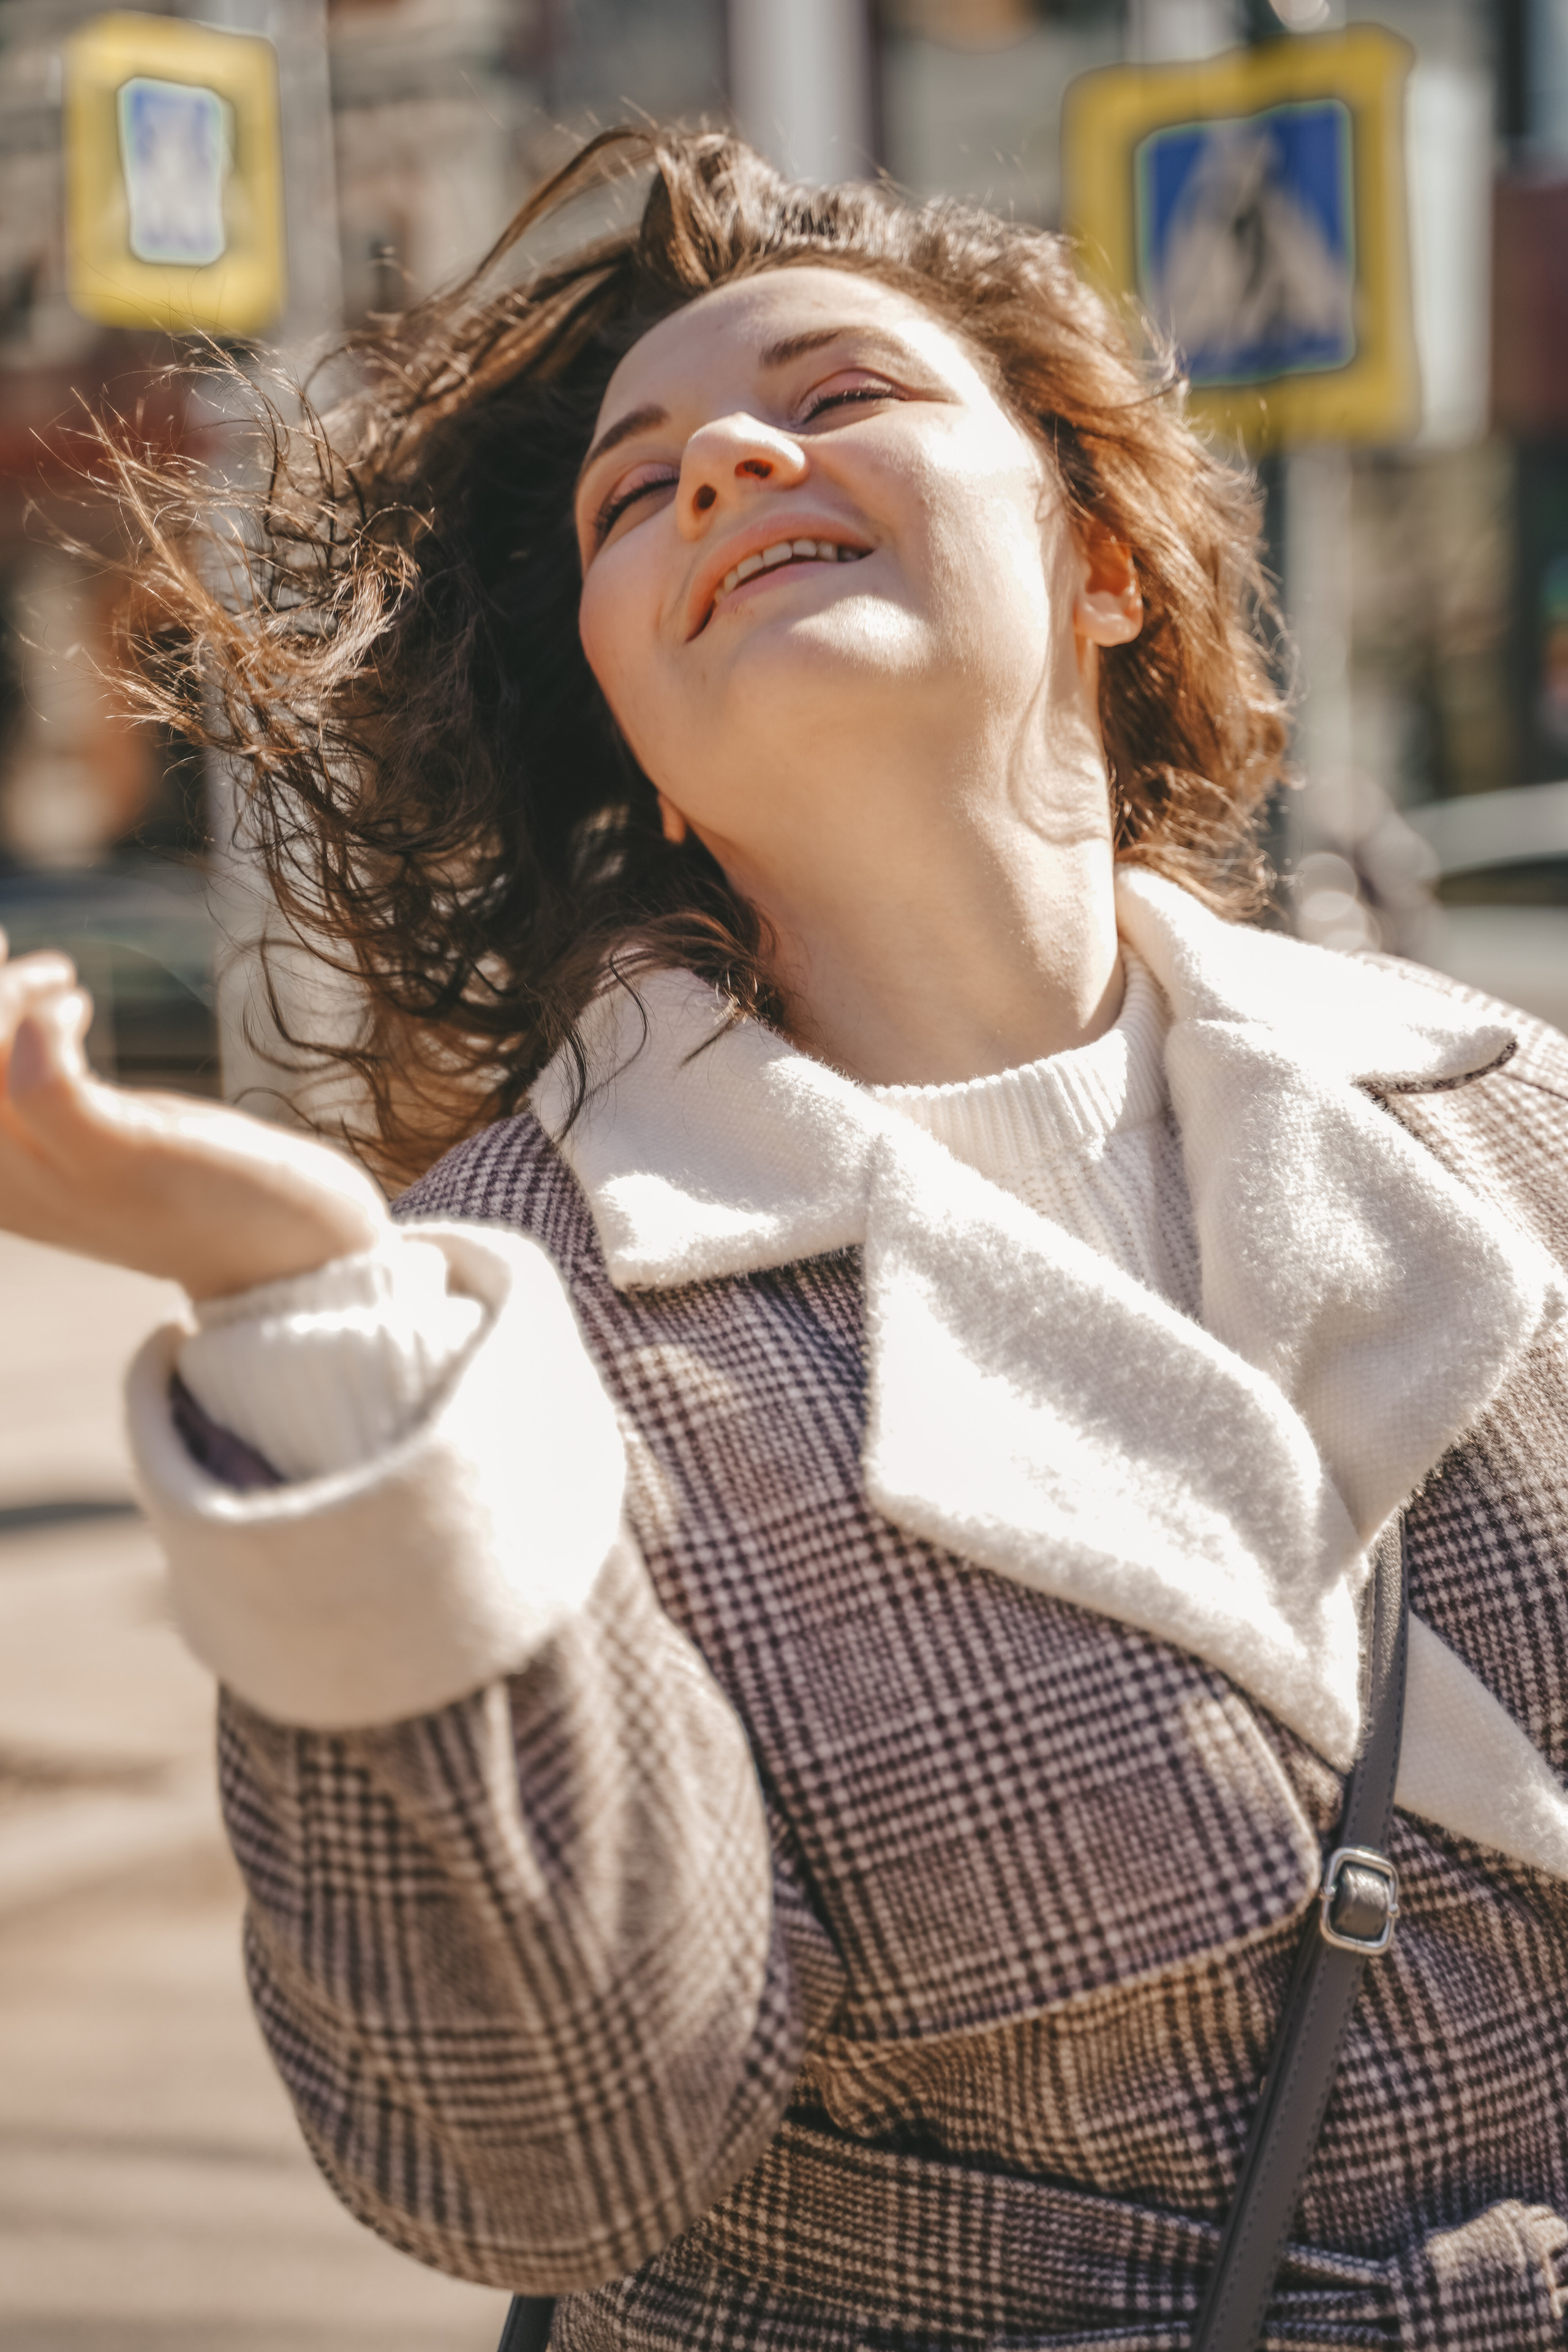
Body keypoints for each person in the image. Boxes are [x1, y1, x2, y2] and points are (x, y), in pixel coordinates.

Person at [3, 127, 1568, 2350]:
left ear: (1105, 560)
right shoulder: (500, 1321)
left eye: (839, 401)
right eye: (633, 496)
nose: (726, 461)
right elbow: (543, 2157)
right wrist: (299, 1316)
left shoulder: (1505, 1111)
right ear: (634, 734)